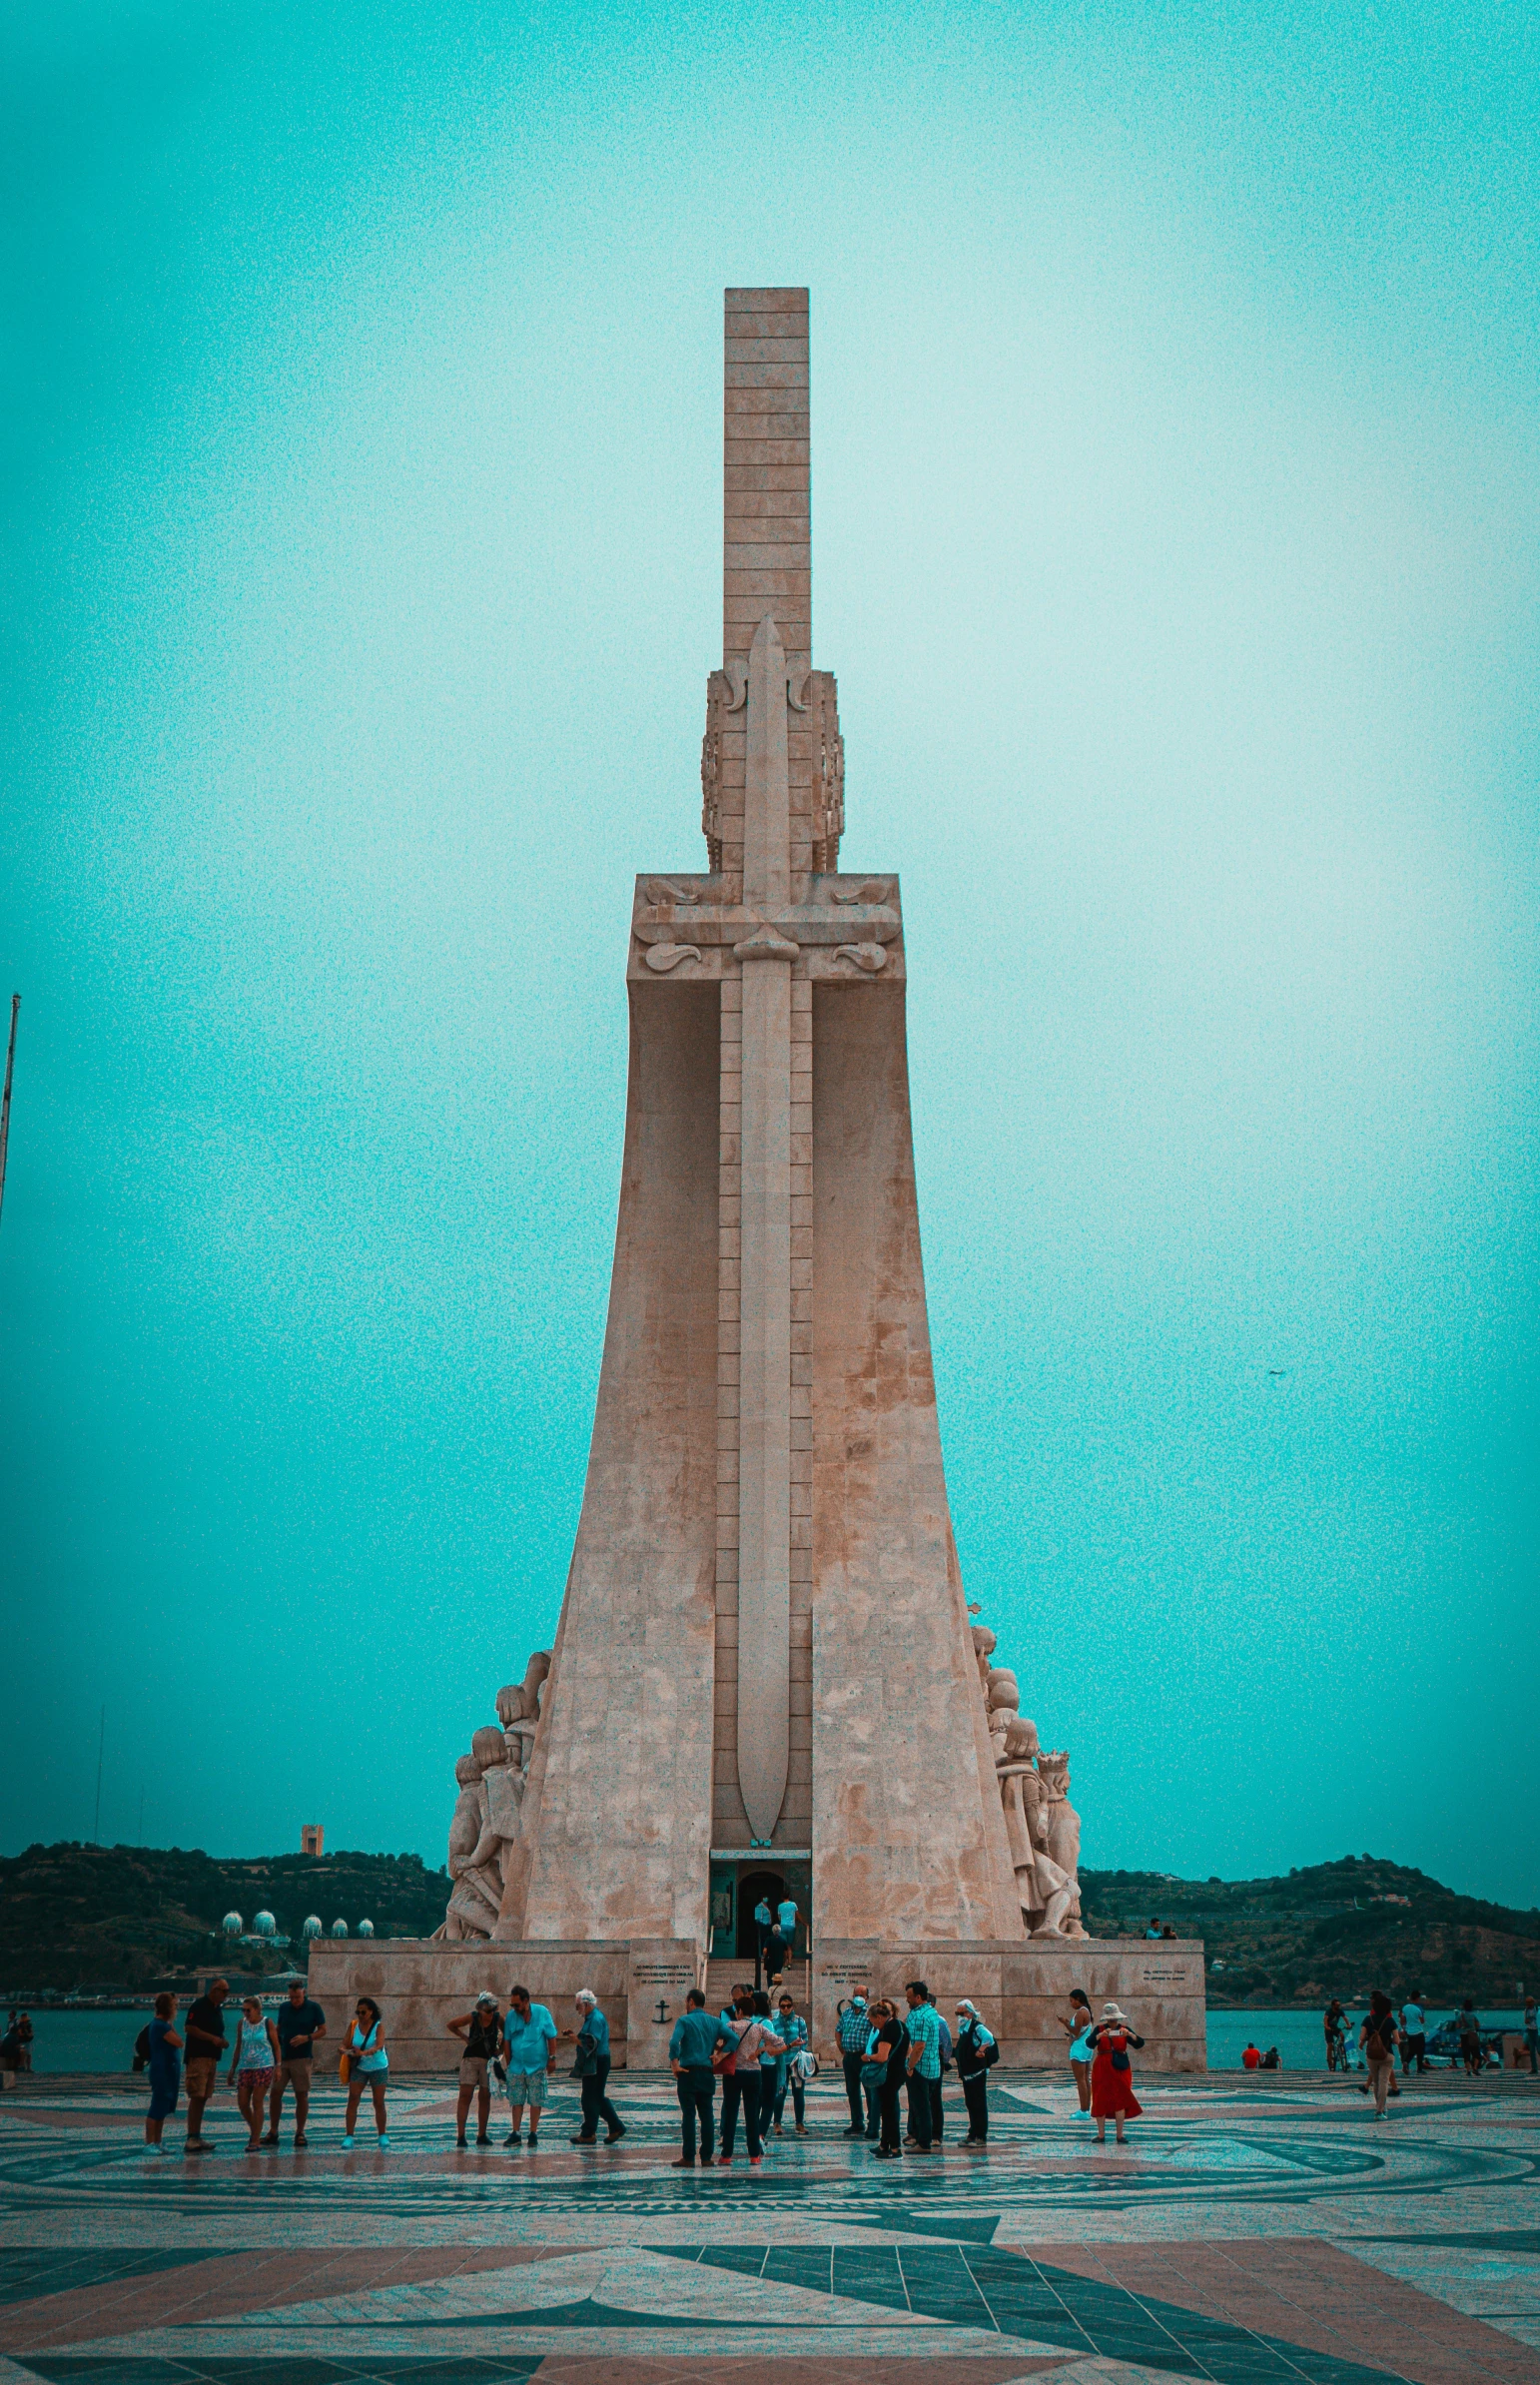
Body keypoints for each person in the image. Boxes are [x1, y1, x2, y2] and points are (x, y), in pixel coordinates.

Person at [669, 1988, 732, 2166]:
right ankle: (706, 2157)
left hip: (687, 2072)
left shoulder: (684, 2021)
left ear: (690, 2002)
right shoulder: (714, 2022)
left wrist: (675, 2063)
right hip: (706, 2072)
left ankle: (688, 2156)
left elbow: (674, 2042)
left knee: (688, 2115)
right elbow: (733, 2039)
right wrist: (721, 2055)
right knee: (707, 2115)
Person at [716, 1989, 779, 2166]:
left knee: (731, 2113)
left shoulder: (732, 2026)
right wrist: (760, 2051)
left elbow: (718, 2037)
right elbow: (778, 2042)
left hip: (734, 2072)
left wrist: (719, 2053)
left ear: (740, 2011)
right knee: (752, 2114)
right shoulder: (760, 2028)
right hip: (754, 2073)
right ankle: (754, 2155)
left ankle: (727, 2155)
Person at [269, 1979, 326, 2147]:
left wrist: (306, 2038)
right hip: (283, 2058)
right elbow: (279, 2028)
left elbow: (323, 2030)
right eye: (292, 1997)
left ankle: (300, 2132)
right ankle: (273, 2131)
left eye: (297, 1997)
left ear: (304, 1993)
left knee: (301, 2095)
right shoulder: (284, 2007)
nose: (294, 2001)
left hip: (302, 2058)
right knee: (275, 2093)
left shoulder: (314, 2008)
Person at [500, 1983, 558, 2149]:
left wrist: (552, 2058)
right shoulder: (511, 2017)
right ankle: (516, 2132)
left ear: (526, 2001)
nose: (514, 2008)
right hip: (517, 2066)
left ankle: (533, 2133)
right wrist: (509, 2063)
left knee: (536, 2099)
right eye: (512, 2005)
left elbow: (551, 2036)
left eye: (517, 2004)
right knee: (516, 2100)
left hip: (537, 2066)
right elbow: (507, 2040)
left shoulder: (542, 2013)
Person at [567, 1989, 624, 2145]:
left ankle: (590, 2133)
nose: (577, 2009)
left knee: (590, 2098)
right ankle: (614, 2127)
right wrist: (575, 2036)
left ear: (586, 2004)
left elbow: (592, 2042)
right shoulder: (591, 2018)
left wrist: (576, 2040)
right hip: (595, 2061)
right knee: (595, 2097)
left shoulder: (596, 2019)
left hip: (598, 2061)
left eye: (578, 2005)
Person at [447, 1990, 502, 2147]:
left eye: (492, 2011)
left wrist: (501, 2049)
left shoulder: (498, 2019)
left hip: (488, 2061)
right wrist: (465, 2038)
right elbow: (451, 2025)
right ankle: (461, 2136)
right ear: (480, 2009)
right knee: (465, 2095)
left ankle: (482, 2134)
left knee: (485, 2097)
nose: (489, 2014)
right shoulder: (472, 2017)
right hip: (471, 2058)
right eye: (487, 2011)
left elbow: (508, 2034)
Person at [1087, 2001, 1145, 2145]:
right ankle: (1101, 2134)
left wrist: (1130, 2034)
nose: (1112, 2021)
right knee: (1100, 2097)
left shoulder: (1124, 2029)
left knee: (1121, 2098)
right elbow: (1089, 2043)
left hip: (1120, 2067)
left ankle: (1120, 2134)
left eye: (1114, 2018)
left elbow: (1139, 2043)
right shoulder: (1099, 2029)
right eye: (1110, 2018)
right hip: (1102, 2067)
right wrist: (1100, 2035)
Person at [228, 1996, 281, 2152]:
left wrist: (278, 2066)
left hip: (264, 2066)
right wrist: (232, 2068)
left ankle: (255, 2140)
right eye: (243, 2010)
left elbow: (276, 2046)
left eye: (248, 2010)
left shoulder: (267, 2022)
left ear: (257, 2009)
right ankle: (255, 2130)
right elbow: (239, 2045)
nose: (245, 2013)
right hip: (245, 2066)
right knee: (243, 2103)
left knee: (257, 2102)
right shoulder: (241, 2024)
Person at [182, 1978, 229, 2152]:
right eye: (224, 1991)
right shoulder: (199, 2006)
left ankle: (197, 2135)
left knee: (203, 2097)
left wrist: (221, 2042)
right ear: (214, 1990)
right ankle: (191, 2137)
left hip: (212, 2058)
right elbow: (189, 2028)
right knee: (196, 2096)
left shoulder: (217, 2010)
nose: (226, 1995)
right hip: (198, 2057)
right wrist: (212, 2039)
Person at [342, 1995, 390, 2147]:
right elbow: (343, 2045)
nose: (360, 2016)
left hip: (378, 2067)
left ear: (371, 2012)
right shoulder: (353, 2026)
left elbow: (379, 2046)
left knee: (378, 2101)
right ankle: (349, 2136)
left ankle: (382, 2135)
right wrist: (346, 2051)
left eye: (364, 2012)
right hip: (360, 2067)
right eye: (358, 2012)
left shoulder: (378, 2026)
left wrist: (363, 2053)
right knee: (353, 2098)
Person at [903, 1979, 941, 2152]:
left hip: (920, 2068)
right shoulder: (932, 2012)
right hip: (933, 2067)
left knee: (921, 2107)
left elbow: (919, 2045)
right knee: (924, 2106)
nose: (907, 2000)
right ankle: (921, 2137)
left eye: (909, 1997)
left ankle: (923, 2143)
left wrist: (910, 2066)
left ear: (918, 1997)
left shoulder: (920, 2017)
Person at [868, 1998, 909, 2158]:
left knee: (889, 2112)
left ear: (878, 2016)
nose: (873, 2025)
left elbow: (882, 2056)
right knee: (888, 2110)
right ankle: (885, 2144)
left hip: (888, 2075)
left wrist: (868, 2057)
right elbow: (908, 2050)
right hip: (898, 2072)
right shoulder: (901, 2025)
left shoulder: (887, 2029)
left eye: (872, 2021)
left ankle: (895, 2148)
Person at [954, 1998, 997, 2145]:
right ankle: (973, 2133)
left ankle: (980, 2135)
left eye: (962, 2013)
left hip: (977, 2072)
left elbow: (989, 2038)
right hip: (967, 2073)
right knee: (970, 2103)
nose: (960, 2016)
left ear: (970, 2013)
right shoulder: (964, 2029)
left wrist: (981, 2050)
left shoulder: (977, 2027)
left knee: (978, 2103)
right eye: (957, 2013)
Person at [144, 1992, 183, 2151]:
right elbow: (179, 2042)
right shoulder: (160, 2026)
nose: (176, 2009)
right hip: (162, 2072)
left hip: (167, 2071)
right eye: (174, 2005)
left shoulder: (162, 2024)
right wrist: (171, 2024)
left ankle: (158, 2142)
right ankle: (149, 2143)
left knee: (162, 2109)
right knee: (156, 2108)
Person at [772, 1991, 811, 2134]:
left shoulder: (800, 2021)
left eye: (788, 2006)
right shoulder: (774, 2023)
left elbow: (805, 2039)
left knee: (799, 2093)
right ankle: (777, 2123)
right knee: (780, 2092)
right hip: (781, 2062)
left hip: (796, 2062)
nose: (786, 2009)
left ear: (792, 2006)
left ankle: (799, 2123)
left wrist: (800, 2052)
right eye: (783, 2006)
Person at [837, 1989, 872, 2135]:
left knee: (869, 2090)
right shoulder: (847, 2013)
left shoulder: (870, 2013)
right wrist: (842, 2048)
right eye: (856, 1995)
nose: (858, 1997)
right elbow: (838, 2030)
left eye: (861, 1995)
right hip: (849, 2057)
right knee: (852, 2090)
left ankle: (873, 2123)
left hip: (863, 2057)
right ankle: (856, 2122)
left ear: (866, 1997)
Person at [1359, 1993, 1398, 2117]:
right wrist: (1387, 2039)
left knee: (1376, 2083)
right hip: (1387, 2055)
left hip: (1372, 2056)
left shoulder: (1367, 2019)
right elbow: (1397, 2040)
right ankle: (1380, 2110)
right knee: (1384, 2082)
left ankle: (1380, 2108)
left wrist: (1370, 2037)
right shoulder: (1391, 2021)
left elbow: (1361, 2037)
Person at [1061, 1989, 1095, 2111]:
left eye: (1072, 2001)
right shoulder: (1087, 2012)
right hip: (1086, 2048)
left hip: (1079, 2048)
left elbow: (1075, 2031)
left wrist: (1065, 2023)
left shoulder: (1081, 2013)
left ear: (1078, 1999)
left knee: (1080, 2080)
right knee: (1085, 2079)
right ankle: (1087, 2108)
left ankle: (1083, 2110)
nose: (1071, 2003)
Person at [929, 1992, 953, 2141]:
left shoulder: (940, 2022)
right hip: (920, 2059)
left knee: (935, 2098)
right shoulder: (914, 2018)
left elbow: (947, 2044)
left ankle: (936, 2135)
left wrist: (944, 2061)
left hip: (935, 2059)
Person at [1399, 1993, 1428, 2075]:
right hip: (1418, 2032)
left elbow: (1403, 2019)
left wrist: (1404, 2029)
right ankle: (1419, 2069)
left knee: (1412, 2050)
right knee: (1420, 2051)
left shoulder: (1405, 2007)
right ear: (1418, 1998)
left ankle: (1406, 2062)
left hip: (1409, 2032)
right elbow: (1422, 2021)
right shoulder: (1419, 2008)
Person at [1457, 2001, 1484, 2076]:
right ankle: (1475, 2068)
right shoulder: (1473, 2015)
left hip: (1464, 2035)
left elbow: (1457, 2026)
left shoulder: (1460, 2015)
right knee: (1476, 2053)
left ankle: (1468, 2070)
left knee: (1466, 2054)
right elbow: (1478, 2025)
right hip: (1472, 2035)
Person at [753, 1896, 773, 1982]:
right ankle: (762, 1954)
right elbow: (757, 1918)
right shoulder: (759, 1907)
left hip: (767, 1926)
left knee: (767, 1940)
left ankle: (767, 1954)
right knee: (763, 1940)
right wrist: (763, 1924)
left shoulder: (766, 1906)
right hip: (763, 1926)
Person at [1324, 2001, 1346, 2071]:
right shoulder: (1329, 2011)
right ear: (1333, 2005)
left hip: (1335, 2027)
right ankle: (1330, 2062)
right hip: (1328, 2029)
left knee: (1342, 2035)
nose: (1338, 2006)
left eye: (1339, 2005)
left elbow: (1345, 2018)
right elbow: (1325, 2019)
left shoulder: (1340, 2011)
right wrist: (1326, 2026)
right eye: (1337, 2005)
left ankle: (1341, 2048)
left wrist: (1348, 2025)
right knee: (1330, 2045)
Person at [1523, 1996, 1538, 2077]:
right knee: (1531, 2051)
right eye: (1527, 2002)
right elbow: (1525, 2021)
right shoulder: (1526, 2011)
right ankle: (1534, 2068)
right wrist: (1527, 2021)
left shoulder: (1537, 2010)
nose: (1528, 2004)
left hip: (1537, 2031)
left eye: (1529, 2002)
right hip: (1530, 2031)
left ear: (1533, 2002)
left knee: (1539, 2049)